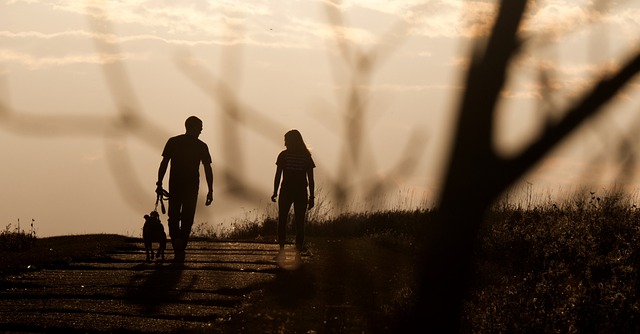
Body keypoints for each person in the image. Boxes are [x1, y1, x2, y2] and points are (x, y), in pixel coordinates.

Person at [156, 116, 213, 262]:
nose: (201, 130)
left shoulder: (173, 142)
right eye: (200, 128)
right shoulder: (201, 146)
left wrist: (159, 183)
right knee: (188, 218)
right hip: (191, 187)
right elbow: (207, 169)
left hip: (175, 185)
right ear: (193, 127)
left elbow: (164, 163)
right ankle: (181, 246)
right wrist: (210, 190)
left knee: (173, 216)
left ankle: (176, 242)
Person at [271, 129, 315, 255]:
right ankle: (283, 249)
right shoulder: (284, 156)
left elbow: (311, 179)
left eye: (286, 140)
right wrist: (275, 191)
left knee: (297, 221)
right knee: (285, 219)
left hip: (298, 192)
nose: (284, 143)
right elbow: (278, 175)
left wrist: (312, 196)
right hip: (289, 191)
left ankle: (295, 249)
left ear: (292, 141)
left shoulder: (305, 157)